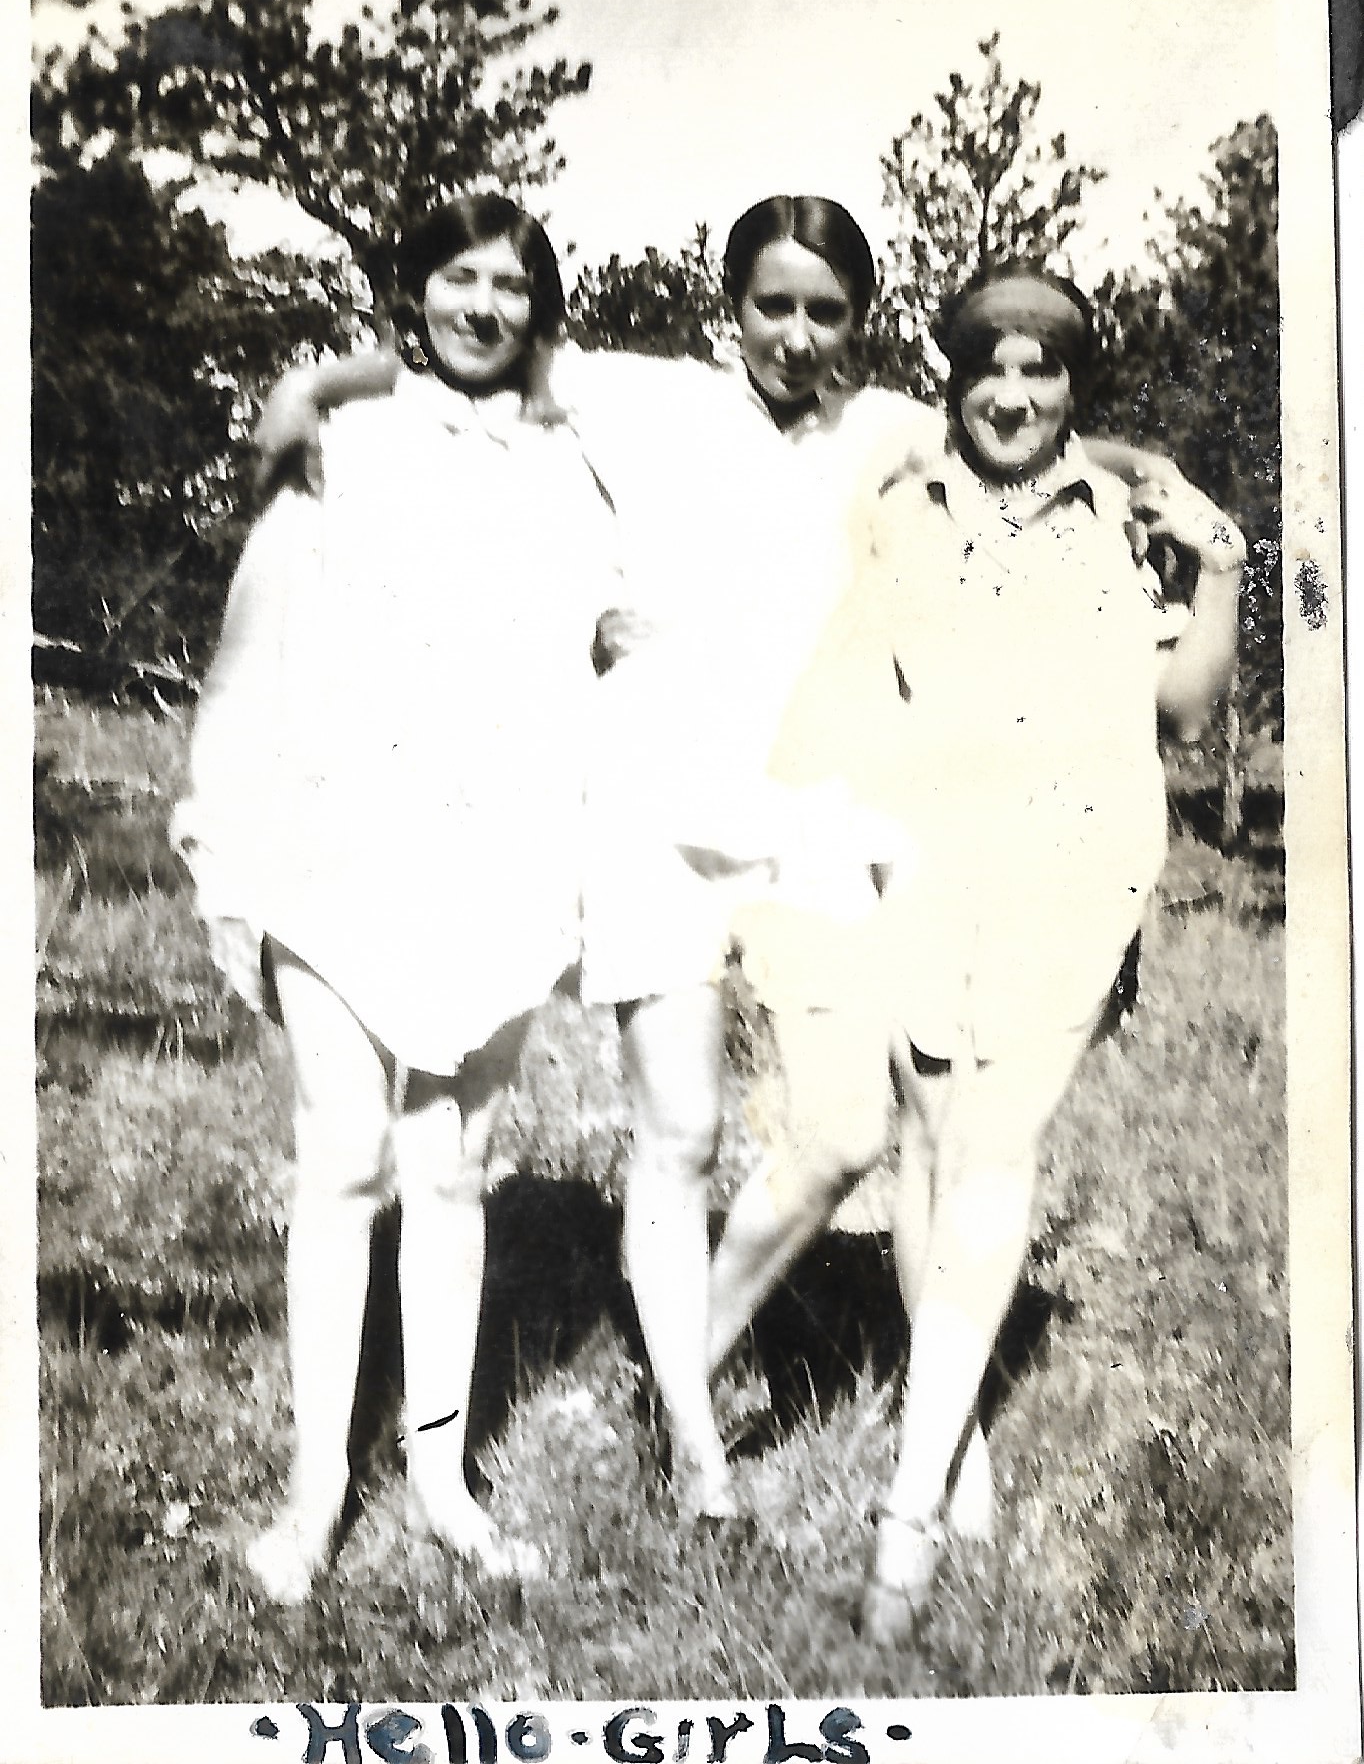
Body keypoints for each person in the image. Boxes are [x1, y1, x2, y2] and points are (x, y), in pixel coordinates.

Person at [251, 207, 1197, 1532]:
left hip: (814, 814)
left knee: (857, 1130)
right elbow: (478, 351)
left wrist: (1152, 476)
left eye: (826, 312)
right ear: (731, 305)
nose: (797, 335)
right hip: (657, 812)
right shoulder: (645, 398)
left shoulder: (885, 428)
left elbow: (1028, 428)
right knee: (683, 1132)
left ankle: (914, 1406)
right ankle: (695, 1440)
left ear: (859, 321)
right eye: (773, 305)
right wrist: (315, 381)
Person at [733, 264, 1244, 1640]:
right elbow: (839, 696)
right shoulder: (901, 511)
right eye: (989, 371)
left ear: (1076, 384)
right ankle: (954, 1445)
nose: (1014, 396)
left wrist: (1223, 568)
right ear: (953, 383)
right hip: (924, 873)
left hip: (1074, 879)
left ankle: (905, 1516)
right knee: (927, 1148)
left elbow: (1187, 713)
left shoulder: (1131, 520)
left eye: (1043, 370)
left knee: (993, 1152)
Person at [173, 194, 621, 1605]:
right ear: (413, 293)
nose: (483, 306)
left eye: (511, 286)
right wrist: (224, 834)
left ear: (539, 311)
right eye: (457, 278)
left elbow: (596, 650)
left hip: (495, 854)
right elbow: (252, 647)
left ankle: (438, 1481)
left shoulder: (572, 471)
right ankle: (314, 1495)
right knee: (343, 1155)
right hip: (337, 844)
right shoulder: (343, 443)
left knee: (452, 1166)